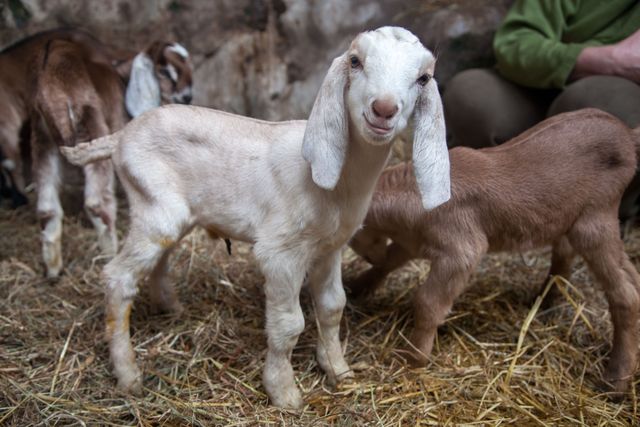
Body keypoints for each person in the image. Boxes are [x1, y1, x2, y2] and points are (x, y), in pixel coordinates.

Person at [443, 0, 640, 219]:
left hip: (614, 100)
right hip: (542, 84)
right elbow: (515, 42)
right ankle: (497, 202)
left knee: (593, 104)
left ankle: (591, 218)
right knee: (472, 93)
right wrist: (610, 60)